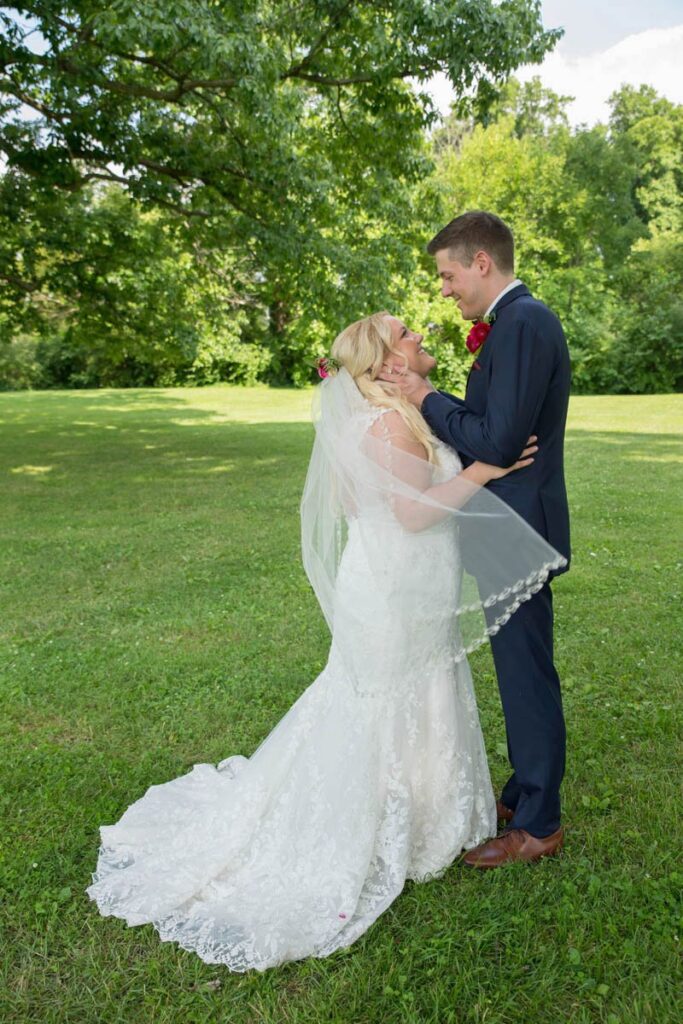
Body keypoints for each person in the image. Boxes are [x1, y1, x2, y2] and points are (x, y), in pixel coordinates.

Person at [86, 311, 565, 971]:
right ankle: (381, 819)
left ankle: (427, 807)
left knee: (415, 687)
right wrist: (485, 468)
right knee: (385, 695)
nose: (420, 336)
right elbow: (414, 511)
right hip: (395, 587)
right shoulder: (388, 422)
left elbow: (356, 504)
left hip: (404, 579)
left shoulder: (384, 416)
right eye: (406, 333)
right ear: (383, 361)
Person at [379, 211, 571, 867]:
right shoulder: (516, 325)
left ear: (480, 263)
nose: (444, 288)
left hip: (514, 528)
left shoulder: (521, 323)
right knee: (519, 668)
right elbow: (495, 427)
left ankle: (538, 824)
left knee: (524, 677)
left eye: (448, 273)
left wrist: (428, 395)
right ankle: (522, 793)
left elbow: (495, 440)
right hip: (504, 526)